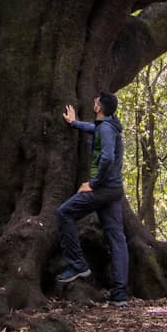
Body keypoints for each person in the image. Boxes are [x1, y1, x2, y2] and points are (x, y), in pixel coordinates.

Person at [56, 91, 129, 307]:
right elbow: (95, 130)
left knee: (64, 213)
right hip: (114, 190)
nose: (93, 101)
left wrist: (93, 184)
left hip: (102, 189)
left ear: (99, 108)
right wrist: (75, 123)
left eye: (95, 101)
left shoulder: (106, 128)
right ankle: (119, 293)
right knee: (117, 238)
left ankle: (78, 264)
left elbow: (107, 157)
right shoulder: (108, 126)